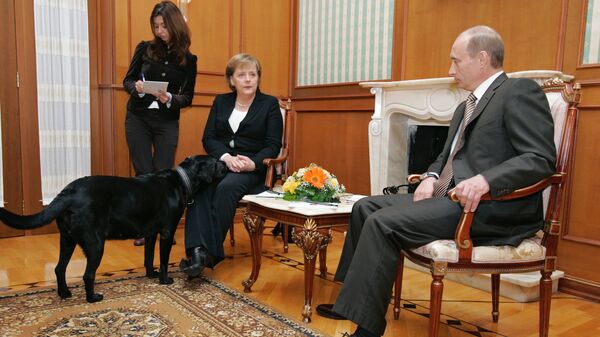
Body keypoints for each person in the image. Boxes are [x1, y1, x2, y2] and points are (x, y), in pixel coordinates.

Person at [317, 26, 557, 337]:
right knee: (365, 207)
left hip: (489, 208)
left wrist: (486, 180)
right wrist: (430, 176)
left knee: (382, 223)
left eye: (456, 61)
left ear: (482, 59)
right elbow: (448, 158)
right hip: (450, 199)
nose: (450, 69)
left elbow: (540, 158)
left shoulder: (518, 92)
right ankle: (350, 302)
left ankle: (366, 330)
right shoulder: (463, 107)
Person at [179, 53, 283, 277]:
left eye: (252, 75)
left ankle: (208, 253)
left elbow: (273, 145)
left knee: (227, 187)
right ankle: (197, 250)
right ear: (231, 80)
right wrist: (226, 157)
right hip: (222, 162)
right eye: (242, 74)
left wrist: (251, 164)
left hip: (251, 168)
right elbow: (209, 138)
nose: (248, 79)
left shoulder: (269, 104)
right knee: (200, 186)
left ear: (258, 78)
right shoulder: (221, 101)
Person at [122, 1, 197, 246]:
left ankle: (165, 227)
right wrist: (138, 89)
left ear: (174, 25)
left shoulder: (188, 59)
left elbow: (188, 97)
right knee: (144, 174)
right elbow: (128, 80)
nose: (159, 31)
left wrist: (171, 98)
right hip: (138, 118)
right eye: (155, 26)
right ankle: (144, 228)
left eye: (164, 26)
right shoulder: (144, 49)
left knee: (164, 175)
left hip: (166, 122)